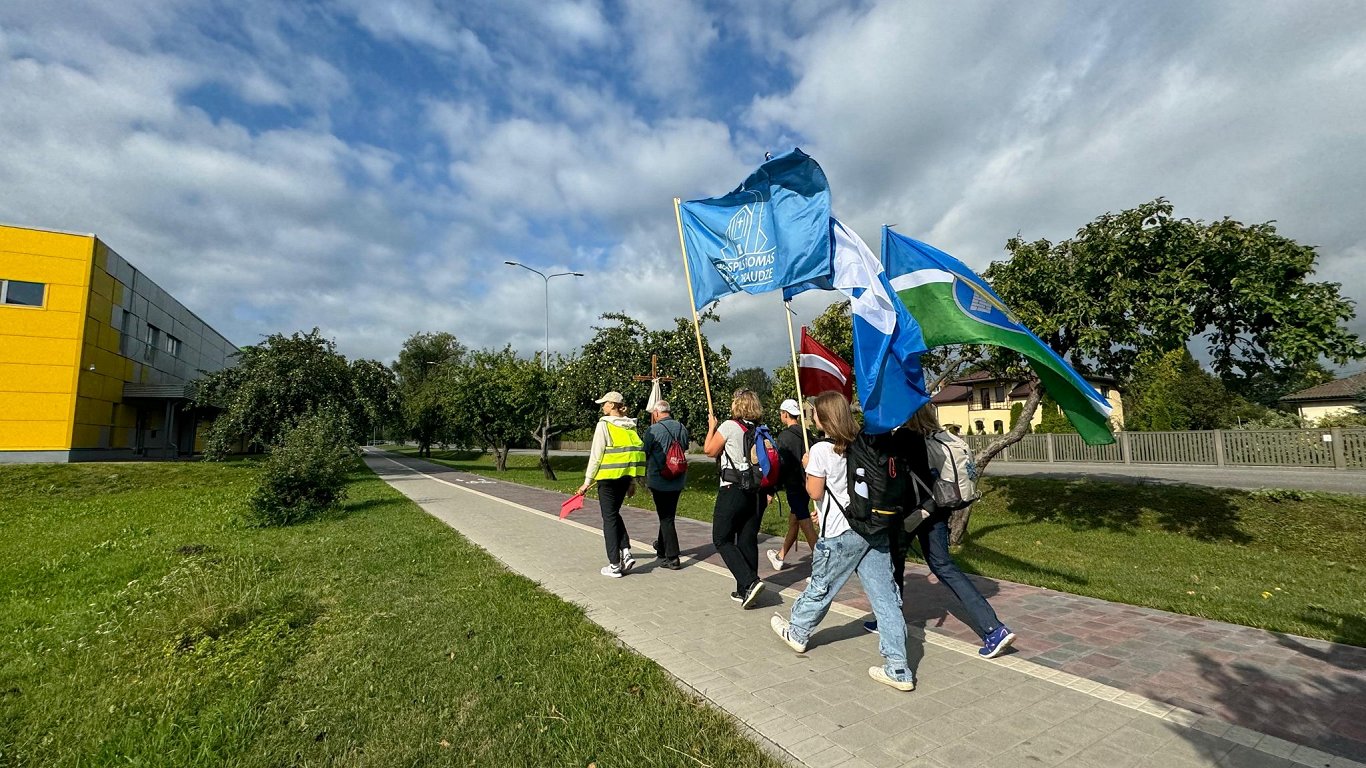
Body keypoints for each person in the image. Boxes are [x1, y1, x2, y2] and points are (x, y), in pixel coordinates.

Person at [769, 392, 917, 691]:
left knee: (822, 585)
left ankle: (797, 632)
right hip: (873, 528)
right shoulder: (863, 443)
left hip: (840, 531)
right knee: (885, 599)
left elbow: (814, 491)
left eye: (815, 414)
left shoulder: (822, 450)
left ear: (822, 418)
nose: (812, 417)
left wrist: (808, 463)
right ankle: (898, 667)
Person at [866, 404, 1016, 659]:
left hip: (911, 514)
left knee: (894, 565)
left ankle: (888, 620)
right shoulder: (941, 436)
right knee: (944, 566)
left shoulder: (904, 438)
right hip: (937, 508)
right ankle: (993, 628)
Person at [703, 388, 769, 607]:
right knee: (747, 539)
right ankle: (745, 591)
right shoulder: (760, 429)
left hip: (733, 489)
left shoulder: (730, 426)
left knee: (721, 538)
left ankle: (750, 582)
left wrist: (712, 427)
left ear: (736, 405)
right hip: (756, 492)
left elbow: (710, 451)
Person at [578, 391, 646, 578]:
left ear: (612, 405)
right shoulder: (630, 426)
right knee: (613, 514)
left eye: (604, 404)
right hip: (624, 478)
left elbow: (596, 455)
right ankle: (625, 551)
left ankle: (614, 564)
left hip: (607, 479)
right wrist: (632, 481)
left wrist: (586, 482)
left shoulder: (604, 425)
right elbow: (630, 455)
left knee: (608, 519)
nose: (602, 407)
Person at [767, 398, 819, 571]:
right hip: (808, 483)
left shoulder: (785, 437)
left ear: (785, 414)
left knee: (805, 523)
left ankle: (820, 562)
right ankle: (780, 555)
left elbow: (781, 465)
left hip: (795, 485)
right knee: (794, 520)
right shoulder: (807, 434)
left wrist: (772, 489)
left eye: (781, 413)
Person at [641, 399, 688, 570]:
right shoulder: (682, 427)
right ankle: (662, 547)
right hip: (678, 479)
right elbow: (685, 447)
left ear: (656, 413)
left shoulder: (653, 430)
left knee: (666, 518)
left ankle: (673, 557)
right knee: (667, 515)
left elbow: (644, 452)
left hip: (659, 480)